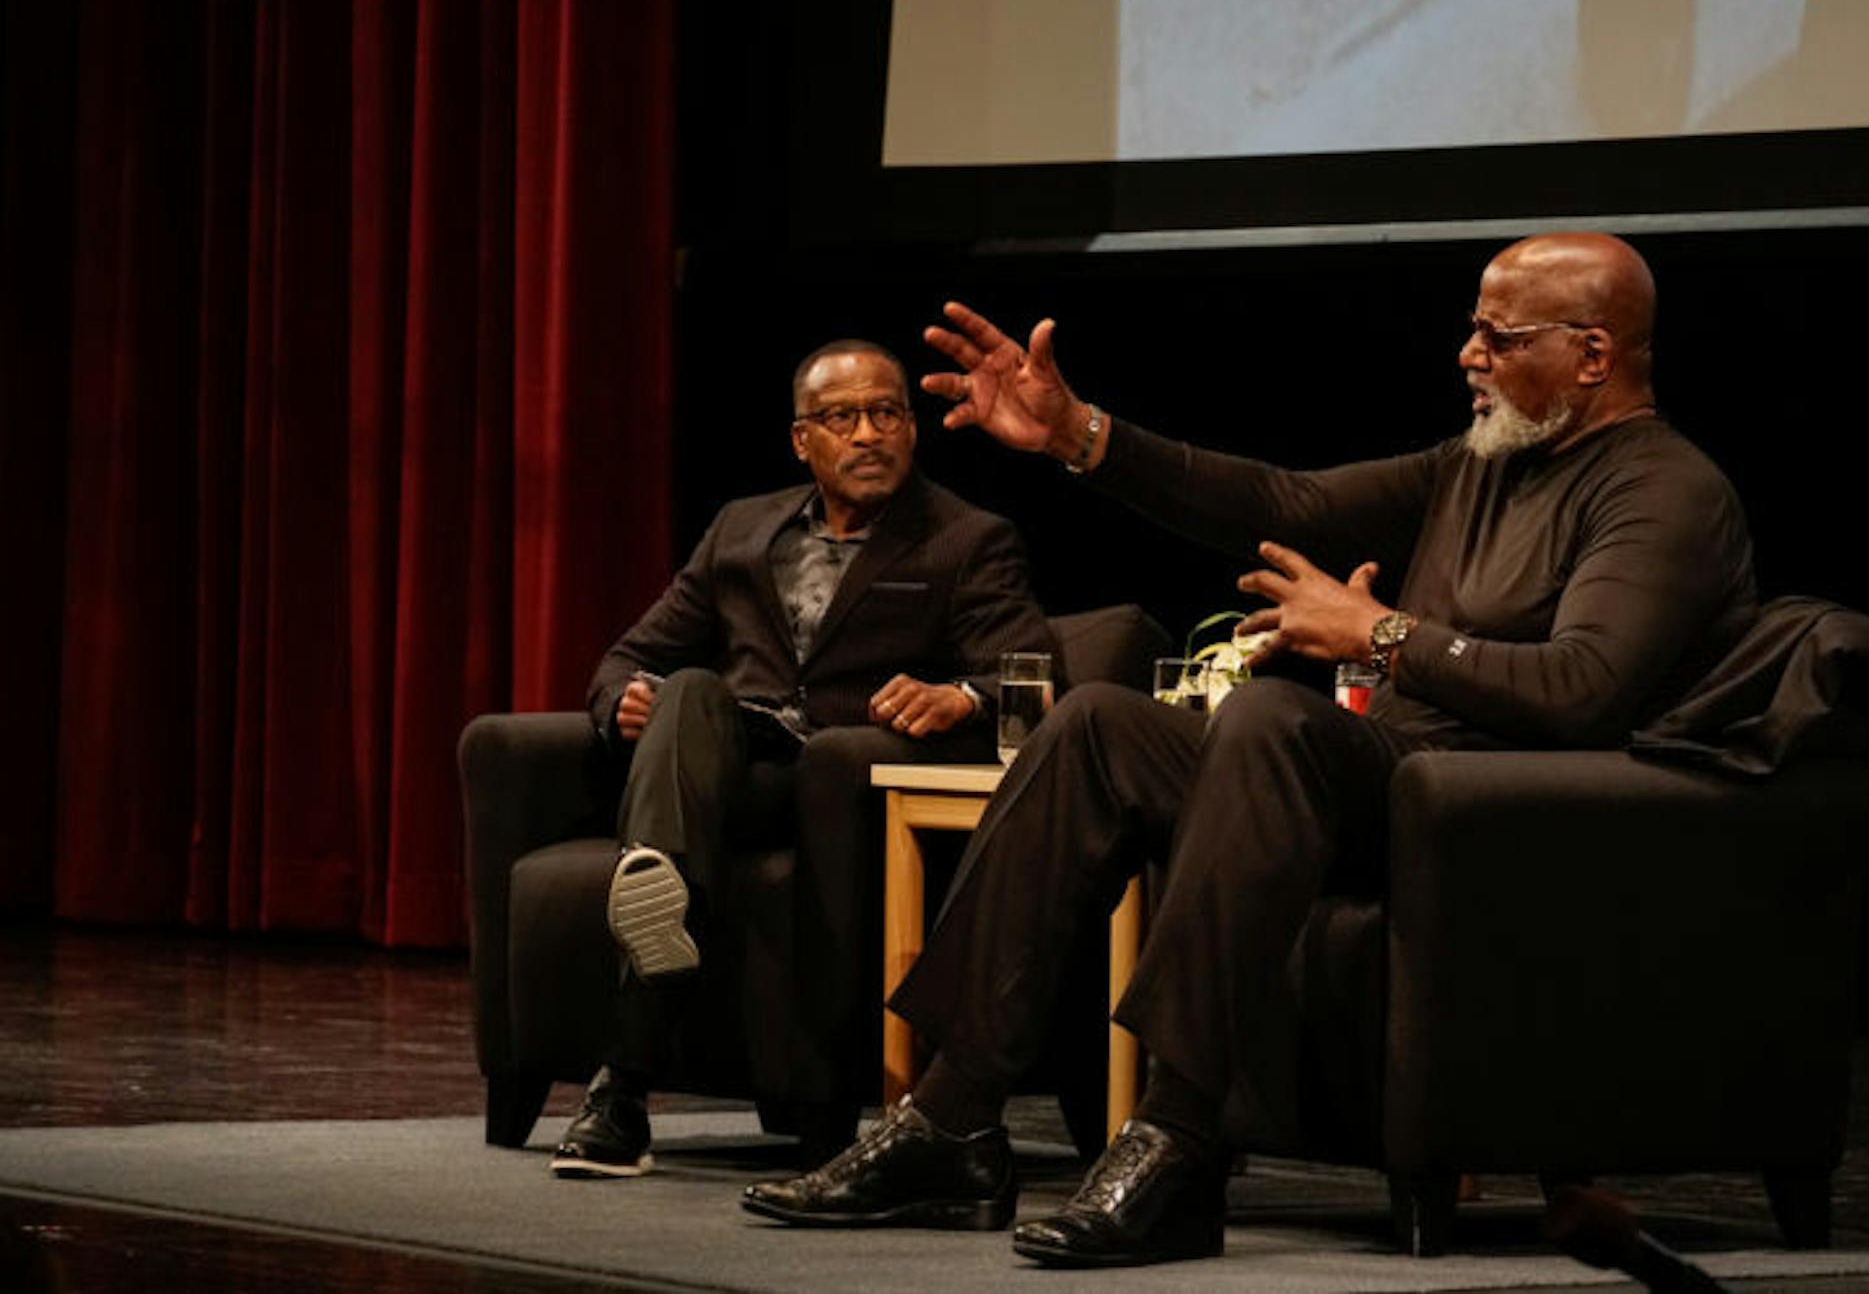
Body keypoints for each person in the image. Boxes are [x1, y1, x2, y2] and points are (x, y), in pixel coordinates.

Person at [741, 235, 1758, 1264]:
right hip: (1391, 783)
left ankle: (1180, 1133)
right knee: (1095, 723)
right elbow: (1287, 503)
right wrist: (1079, 435)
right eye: (1471, 330)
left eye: (1497, 336)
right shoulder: (1480, 466)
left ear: (1592, 355)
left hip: (1491, 815)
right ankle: (952, 1114)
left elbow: (1582, 689)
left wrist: (1379, 635)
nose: (1467, 354)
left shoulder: (1661, 491)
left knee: (1270, 719)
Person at [551, 339, 1058, 1178]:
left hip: (842, 777)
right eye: (842, 417)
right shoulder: (741, 530)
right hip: (730, 769)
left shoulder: (966, 539)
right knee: (682, 692)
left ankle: (622, 1089)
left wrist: (956, 699)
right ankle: (658, 880)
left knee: (694, 730)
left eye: (887, 412)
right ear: (803, 441)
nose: (868, 433)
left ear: (911, 427)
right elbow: (626, 657)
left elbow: (1029, 674)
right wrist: (621, 702)